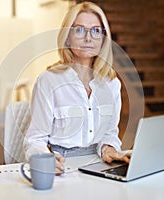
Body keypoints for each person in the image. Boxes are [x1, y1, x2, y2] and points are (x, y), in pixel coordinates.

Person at [23, 1, 131, 175]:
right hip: (62, 164)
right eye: (79, 30)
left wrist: (110, 148)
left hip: (100, 163)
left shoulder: (112, 83)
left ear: (103, 38)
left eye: (96, 31)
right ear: (67, 37)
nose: (88, 38)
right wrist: (45, 159)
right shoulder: (49, 80)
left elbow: (110, 132)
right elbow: (35, 139)